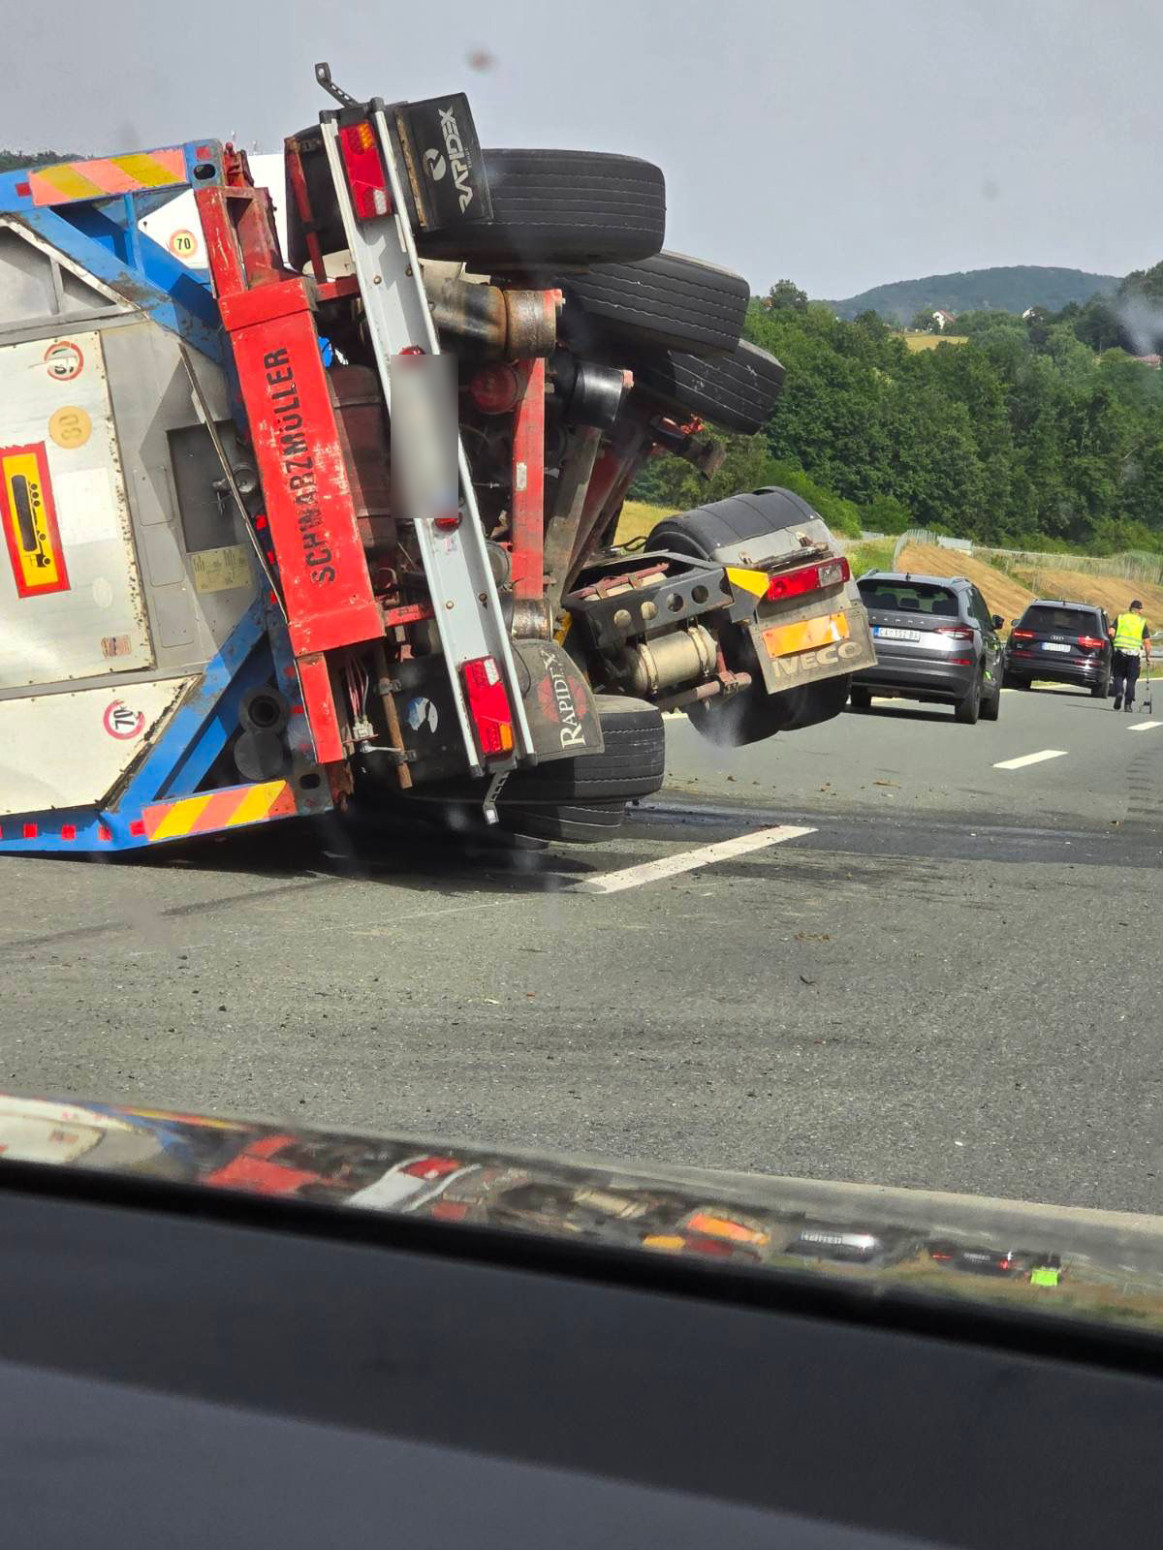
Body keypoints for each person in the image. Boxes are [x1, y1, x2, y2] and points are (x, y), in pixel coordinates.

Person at [1109, 600, 1151, 711]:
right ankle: (1128, 705)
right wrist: (1147, 657)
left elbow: (1111, 632)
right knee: (1131, 680)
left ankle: (1119, 692)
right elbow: (1147, 642)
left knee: (1118, 675)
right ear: (1140, 611)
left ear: (1130, 608)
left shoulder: (1121, 618)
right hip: (1134, 655)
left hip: (1120, 652)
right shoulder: (1142, 622)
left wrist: (1114, 641)